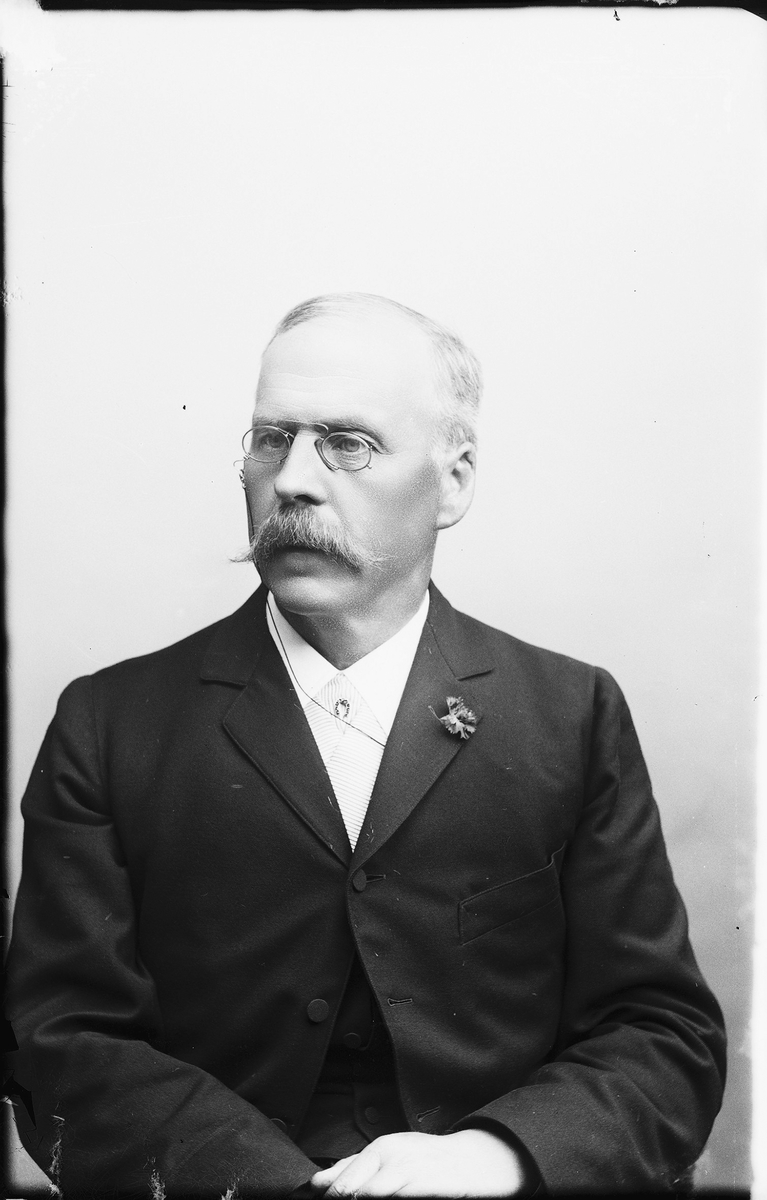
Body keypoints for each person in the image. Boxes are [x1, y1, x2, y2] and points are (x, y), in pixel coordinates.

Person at [6, 293, 725, 1198]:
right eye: (272, 439)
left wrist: (498, 1157)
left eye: (347, 444)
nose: (292, 480)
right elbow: (59, 1041)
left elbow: (662, 1033)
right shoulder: (110, 724)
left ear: (453, 482)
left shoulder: (568, 714)